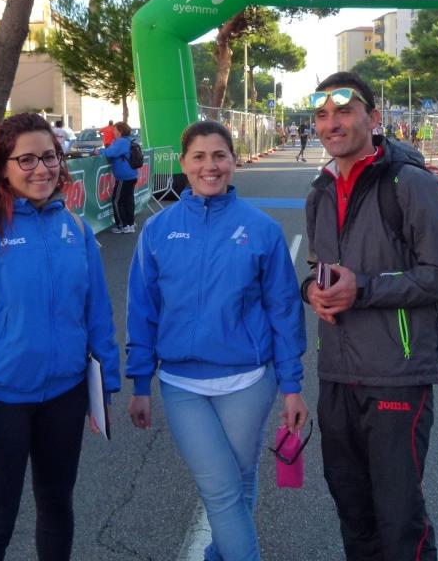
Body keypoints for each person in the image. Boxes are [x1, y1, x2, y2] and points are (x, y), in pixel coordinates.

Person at [0, 112, 120, 561]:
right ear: (2, 166)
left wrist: (104, 390)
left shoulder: (75, 228)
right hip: (2, 404)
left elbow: (97, 314)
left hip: (65, 397)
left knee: (57, 508)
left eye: (50, 157)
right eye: (27, 159)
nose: (42, 169)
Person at [302, 72, 438, 561]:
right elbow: (318, 269)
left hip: (396, 375)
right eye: (322, 115)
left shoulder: (410, 183)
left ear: (373, 118)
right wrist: (310, 290)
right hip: (336, 373)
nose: (332, 123)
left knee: (399, 520)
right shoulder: (320, 191)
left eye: (344, 111)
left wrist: (365, 289)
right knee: (353, 513)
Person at [127, 120, 308, 561]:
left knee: (238, 481)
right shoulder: (159, 229)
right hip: (181, 385)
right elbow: (142, 309)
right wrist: (139, 382)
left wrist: (292, 385)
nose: (210, 166)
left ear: (233, 160)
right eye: (199, 157)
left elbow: (284, 312)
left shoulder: (261, 229)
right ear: (183, 163)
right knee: (222, 490)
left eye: (219, 156)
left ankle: (217, 555)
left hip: (248, 381)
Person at [98, 121, 138, 234]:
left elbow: (111, 152)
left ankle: (122, 225)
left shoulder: (121, 142)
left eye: (114, 130)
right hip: (131, 175)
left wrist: (99, 151)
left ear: (119, 131)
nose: (113, 132)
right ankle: (130, 224)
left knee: (117, 201)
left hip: (123, 177)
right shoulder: (128, 141)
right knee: (128, 200)